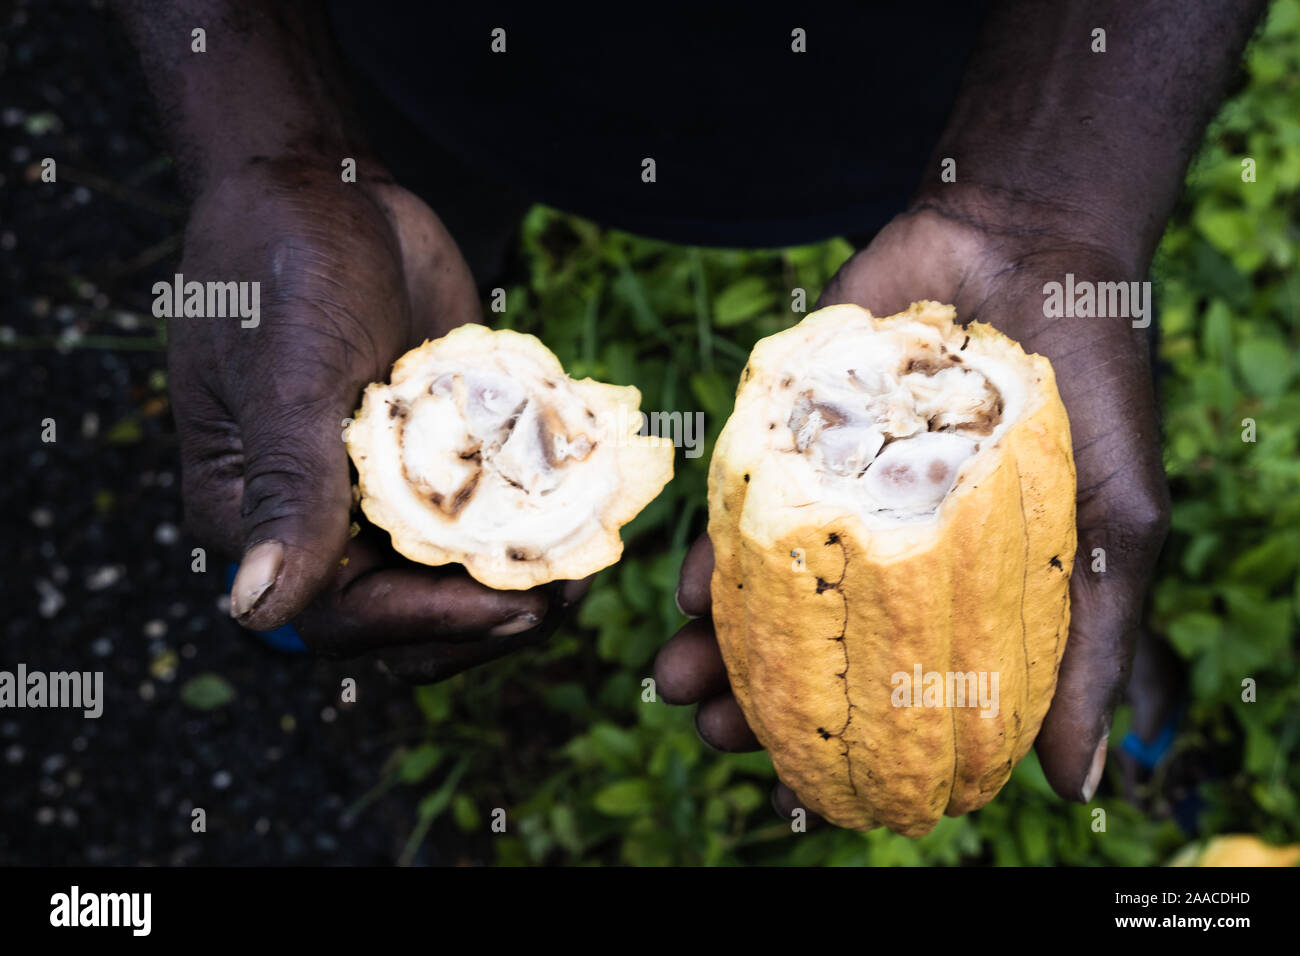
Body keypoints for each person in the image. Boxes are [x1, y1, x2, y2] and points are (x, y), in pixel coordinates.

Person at [115, 0, 1268, 817]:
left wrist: (1048, 192)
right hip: (424, 44)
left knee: (1003, 317)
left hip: (961, 70)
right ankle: (310, 568)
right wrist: (272, 143)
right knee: (365, 296)